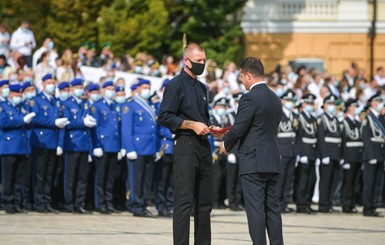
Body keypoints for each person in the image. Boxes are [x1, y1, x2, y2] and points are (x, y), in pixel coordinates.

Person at [158, 43, 222, 245]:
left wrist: (211, 127)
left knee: (205, 203)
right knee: (184, 202)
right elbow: (165, 116)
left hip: (204, 145)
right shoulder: (175, 85)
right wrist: (190, 125)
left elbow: (203, 116)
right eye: (199, 60)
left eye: (204, 60)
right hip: (185, 144)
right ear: (187, 61)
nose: (202, 64)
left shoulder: (202, 87)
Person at [220, 57, 284, 245]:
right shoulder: (275, 98)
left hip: (253, 161)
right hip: (272, 159)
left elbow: (240, 127)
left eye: (241, 76)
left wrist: (226, 143)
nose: (241, 80)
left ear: (249, 75)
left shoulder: (249, 98)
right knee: (272, 208)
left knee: (255, 209)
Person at [121, 78, 159, 217]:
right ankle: (136, 204)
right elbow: (126, 129)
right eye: (144, 87)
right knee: (136, 178)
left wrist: (156, 149)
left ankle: (143, 203)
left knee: (147, 179)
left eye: (148, 87)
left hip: (149, 147)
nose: (147, 89)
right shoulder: (130, 105)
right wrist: (129, 148)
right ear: (137, 89)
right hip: (137, 148)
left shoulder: (150, 105)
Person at [62, 78, 96, 214]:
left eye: (81, 86)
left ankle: (79, 203)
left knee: (82, 176)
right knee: (70, 176)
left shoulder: (86, 104)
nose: (80, 89)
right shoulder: (67, 104)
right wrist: (82, 123)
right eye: (77, 86)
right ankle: (69, 203)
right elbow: (66, 122)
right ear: (72, 89)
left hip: (83, 144)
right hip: (72, 143)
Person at [0, 84, 35, 213]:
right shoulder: (3, 107)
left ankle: (17, 202)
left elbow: (29, 124)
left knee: (19, 177)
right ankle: (7, 203)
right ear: (10, 95)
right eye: (16, 94)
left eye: (20, 94)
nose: (18, 96)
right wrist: (22, 121)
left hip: (21, 146)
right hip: (9, 146)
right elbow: (3, 123)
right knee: (8, 177)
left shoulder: (23, 107)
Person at [361, 91, 385, 217]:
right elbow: (366, 138)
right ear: (372, 103)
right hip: (372, 155)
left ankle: (374, 206)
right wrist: (370, 156)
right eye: (379, 101)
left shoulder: (381, 118)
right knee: (369, 182)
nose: (381, 104)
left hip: (380, 154)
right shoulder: (368, 118)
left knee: (377, 183)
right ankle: (367, 207)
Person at [317, 94, 342, 213]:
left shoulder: (336, 119)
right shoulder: (322, 119)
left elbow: (339, 138)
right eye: (330, 104)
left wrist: (341, 155)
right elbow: (321, 138)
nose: (332, 106)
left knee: (333, 181)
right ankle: (323, 204)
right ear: (325, 105)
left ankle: (329, 203)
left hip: (336, 153)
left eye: (333, 104)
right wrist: (324, 155)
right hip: (328, 153)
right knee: (325, 181)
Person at [277, 89, 298, 213]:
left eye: (291, 100)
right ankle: (278, 203)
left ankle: (285, 202)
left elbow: (297, 135)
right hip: (282, 150)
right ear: (283, 101)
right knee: (281, 179)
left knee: (289, 179)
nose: (290, 102)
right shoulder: (278, 114)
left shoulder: (294, 115)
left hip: (292, 151)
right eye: (288, 100)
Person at [341, 98, 363, 213]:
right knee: (348, 182)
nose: (355, 109)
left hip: (358, 156)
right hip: (349, 156)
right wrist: (345, 160)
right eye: (354, 106)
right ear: (349, 107)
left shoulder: (358, 123)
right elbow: (344, 142)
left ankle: (352, 204)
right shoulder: (345, 122)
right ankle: (346, 204)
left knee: (356, 182)